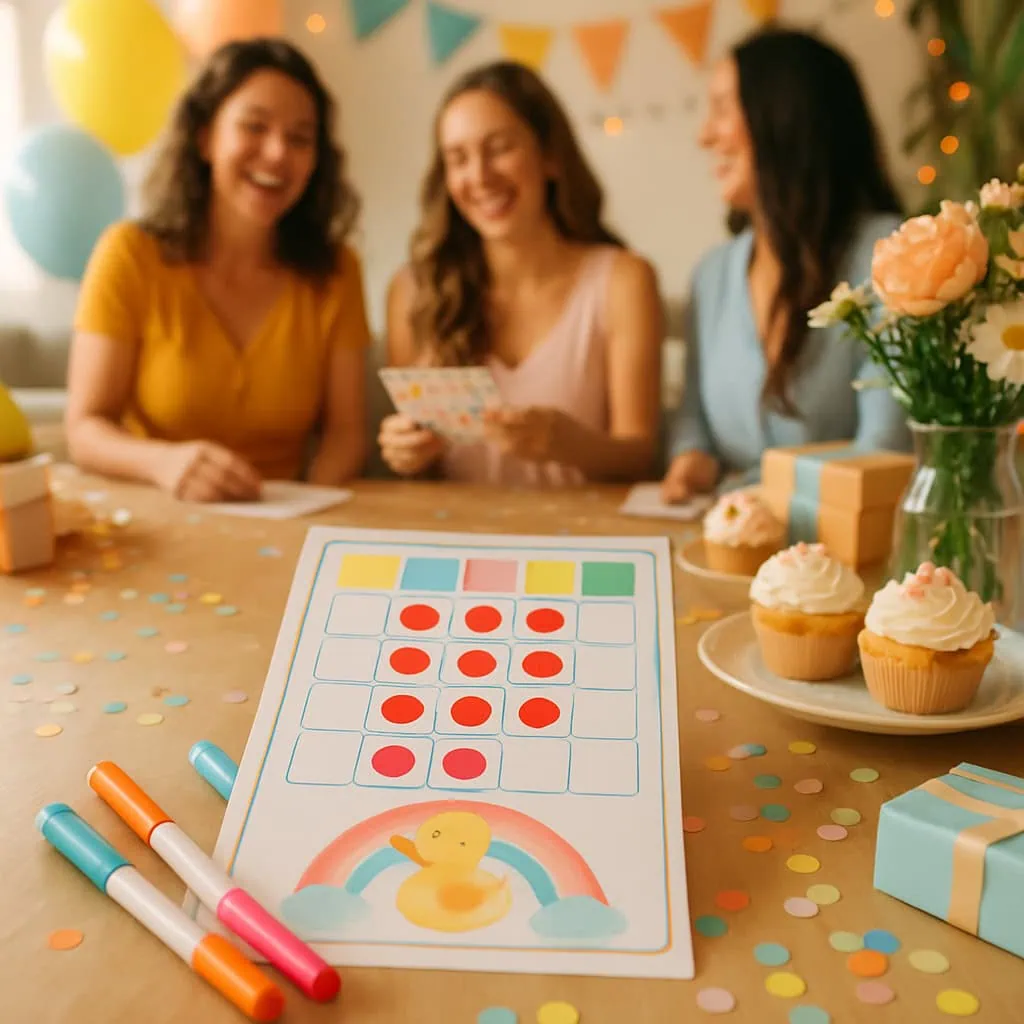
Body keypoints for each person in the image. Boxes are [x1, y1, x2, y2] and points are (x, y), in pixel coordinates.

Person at [66, 39, 370, 502]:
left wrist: (310, 506)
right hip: (155, 523)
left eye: (300, 138)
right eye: (255, 126)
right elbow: (84, 427)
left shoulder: (336, 271)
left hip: (288, 521)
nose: (277, 153)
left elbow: (346, 434)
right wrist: (164, 463)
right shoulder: (128, 255)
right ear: (205, 137)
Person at [378, 61, 664, 488]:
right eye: (458, 159)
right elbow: (422, 473)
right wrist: (405, 453)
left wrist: (570, 444)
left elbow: (639, 456)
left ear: (550, 156)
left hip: (586, 542)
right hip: (457, 539)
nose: (479, 176)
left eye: (499, 148)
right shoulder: (412, 291)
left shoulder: (624, 280)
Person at [661, 27, 910, 503]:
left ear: (783, 117)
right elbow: (692, 418)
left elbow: (885, 450)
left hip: (854, 557)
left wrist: (762, 501)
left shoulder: (888, 254)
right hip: (734, 545)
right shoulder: (713, 274)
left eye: (721, 108)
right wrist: (690, 459)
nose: (704, 134)